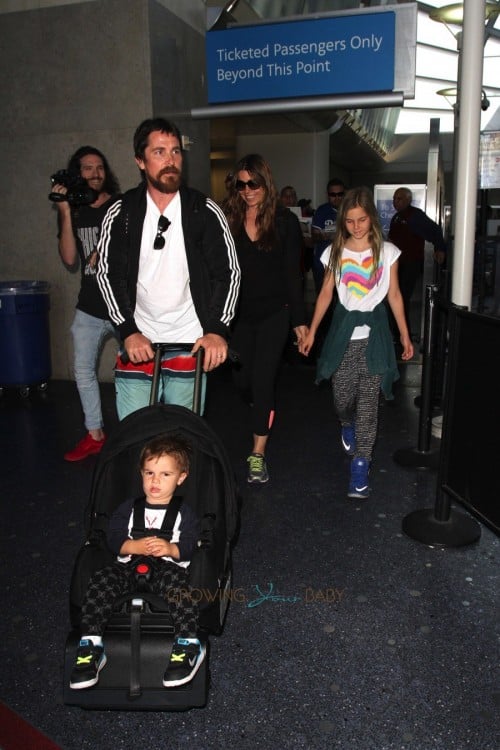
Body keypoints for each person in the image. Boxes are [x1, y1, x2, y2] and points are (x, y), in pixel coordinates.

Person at [97, 118, 240, 419]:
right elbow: (108, 275)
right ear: (140, 160)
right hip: (138, 337)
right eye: (159, 152)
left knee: (183, 435)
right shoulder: (121, 212)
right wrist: (128, 331)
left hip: (189, 337)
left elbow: (229, 274)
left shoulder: (203, 210)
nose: (171, 160)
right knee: (135, 431)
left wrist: (216, 330)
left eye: (176, 152)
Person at [299, 187, 413, 499]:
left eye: (362, 220)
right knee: (341, 398)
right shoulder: (335, 252)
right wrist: (311, 330)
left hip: (375, 338)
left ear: (372, 219)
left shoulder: (388, 252)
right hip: (343, 337)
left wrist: (404, 334)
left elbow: (394, 294)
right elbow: (325, 293)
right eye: (349, 221)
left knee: (368, 407)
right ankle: (345, 424)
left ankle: (361, 463)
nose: (357, 226)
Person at [69, 433, 204, 690]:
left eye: (165, 474)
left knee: (180, 589)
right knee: (101, 581)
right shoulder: (129, 508)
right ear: (141, 474)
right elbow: (114, 537)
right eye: (149, 473)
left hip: (167, 567)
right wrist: (133, 545)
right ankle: (91, 644)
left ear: (181, 478)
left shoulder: (184, 513)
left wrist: (170, 548)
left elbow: (189, 545)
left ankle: (187, 643)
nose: (155, 481)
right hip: (128, 565)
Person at [224, 155, 308, 484]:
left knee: (262, 381)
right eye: (241, 184)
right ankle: (259, 407)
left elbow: (292, 274)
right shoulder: (229, 219)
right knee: (242, 381)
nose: (247, 191)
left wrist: (299, 320)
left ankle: (257, 454)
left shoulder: (284, 221)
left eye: (253, 184)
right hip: (240, 316)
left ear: (265, 182)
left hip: (276, 313)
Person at [53, 146, 121, 461]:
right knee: (82, 370)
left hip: (124, 306)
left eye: (99, 167)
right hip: (89, 306)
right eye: (87, 168)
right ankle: (94, 433)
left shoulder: (121, 206)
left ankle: (133, 432)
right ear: (76, 173)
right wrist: (65, 210)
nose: (94, 173)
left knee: (133, 372)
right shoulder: (76, 211)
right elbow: (69, 258)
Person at [388, 187, 446, 339]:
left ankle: (402, 333)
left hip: (411, 263)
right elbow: (392, 239)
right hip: (397, 264)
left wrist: (440, 248)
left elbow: (435, 230)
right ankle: (397, 332)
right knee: (397, 296)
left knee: (402, 297)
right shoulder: (397, 217)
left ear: (408, 199)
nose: (395, 201)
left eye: (399, 198)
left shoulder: (414, 215)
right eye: (394, 198)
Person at [311, 178, 346, 293]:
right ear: (328, 195)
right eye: (333, 194)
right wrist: (324, 236)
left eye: (340, 194)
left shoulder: (350, 210)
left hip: (345, 264)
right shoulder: (322, 211)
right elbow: (314, 236)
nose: (337, 198)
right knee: (324, 297)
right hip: (323, 264)